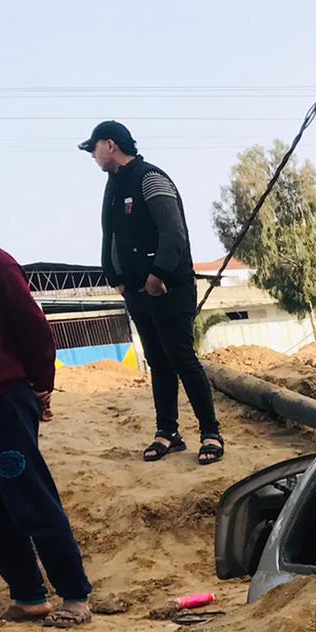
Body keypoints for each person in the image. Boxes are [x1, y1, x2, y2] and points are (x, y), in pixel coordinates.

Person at [81, 120, 224, 465]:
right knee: (158, 362)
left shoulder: (150, 178)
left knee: (182, 358)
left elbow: (173, 231)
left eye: (94, 147)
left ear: (110, 144)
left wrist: (159, 273)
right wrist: (112, 274)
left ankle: (211, 434)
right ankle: (168, 433)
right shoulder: (113, 187)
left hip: (168, 288)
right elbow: (110, 236)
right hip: (135, 291)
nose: (93, 155)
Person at [0, 238, 93, 628]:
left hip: (1, 400)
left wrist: (41, 385)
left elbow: (32, 326)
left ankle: (74, 594)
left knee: (28, 497)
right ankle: (28, 595)